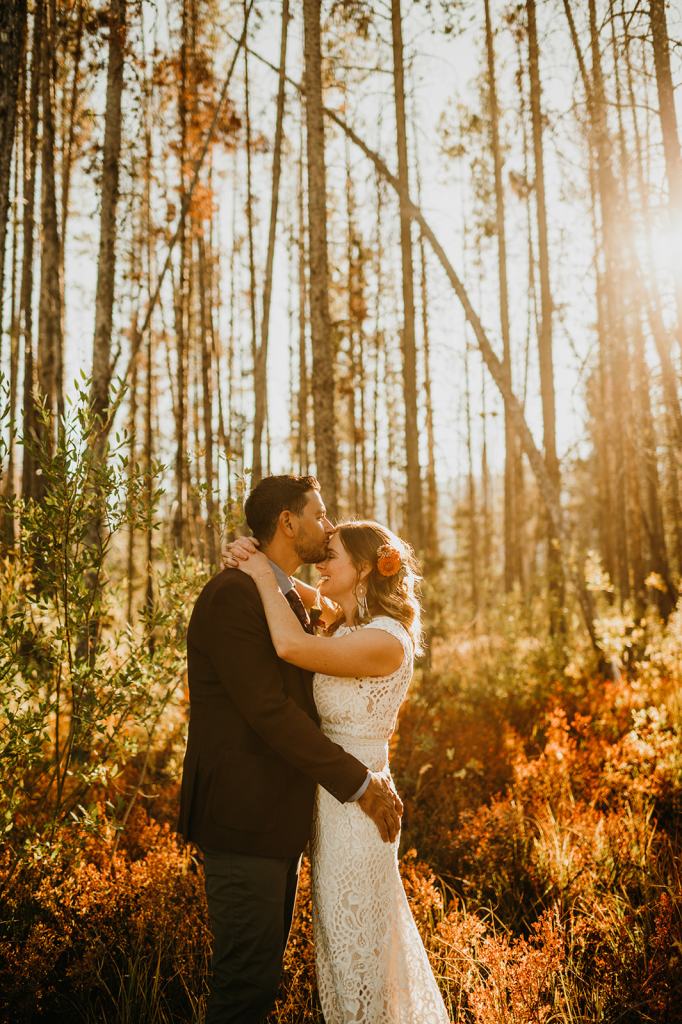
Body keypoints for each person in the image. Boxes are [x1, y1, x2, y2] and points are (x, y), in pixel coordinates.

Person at [177, 475, 402, 1024]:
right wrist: (356, 782)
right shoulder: (235, 595)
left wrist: (260, 565)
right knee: (244, 985)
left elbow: (319, 616)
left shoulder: (279, 595)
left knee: (260, 981)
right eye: (320, 516)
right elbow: (269, 712)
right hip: (242, 819)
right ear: (287, 522)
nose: (327, 530)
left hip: (279, 822)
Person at [230, 518, 450, 1024]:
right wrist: (257, 558)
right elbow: (309, 593)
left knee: (358, 954)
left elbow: (291, 647)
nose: (319, 564)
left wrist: (260, 572)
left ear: (367, 567)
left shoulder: (385, 640)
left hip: (359, 812)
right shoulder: (346, 622)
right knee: (337, 946)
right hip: (329, 804)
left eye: (331, 556)